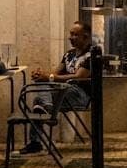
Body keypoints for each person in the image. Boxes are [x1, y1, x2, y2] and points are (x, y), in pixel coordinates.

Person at [23, 21, 95, 153]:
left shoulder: (92, 55)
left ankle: (48, 107)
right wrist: (42, 74)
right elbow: (55, 73)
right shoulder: (69, 54)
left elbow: (79, 76)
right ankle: (35, 142)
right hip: (62, 92)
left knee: (43, 99)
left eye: (75, 35)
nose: (70, 37)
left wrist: (49, 77)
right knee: (38, 101)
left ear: (85, 37)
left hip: (81, 95)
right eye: (70, 34)